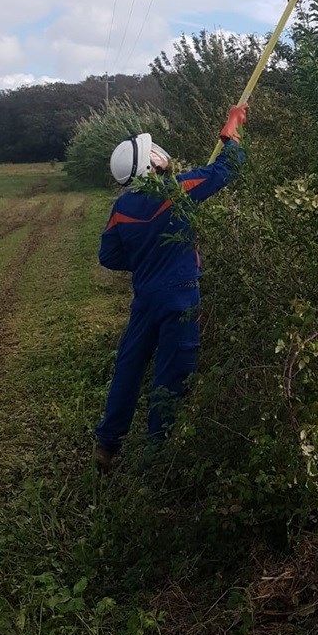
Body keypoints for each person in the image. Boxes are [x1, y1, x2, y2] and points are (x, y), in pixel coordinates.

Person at [94, 103, 248, 471]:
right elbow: (230, 166)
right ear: (150, 167)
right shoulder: (176, 193)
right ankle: (157, 459)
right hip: (180, 297)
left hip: (145, 298)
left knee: (129, 368)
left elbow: (109, 256)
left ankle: (107, 446)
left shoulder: (122, 208)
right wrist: (232, 128)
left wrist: (146, 257)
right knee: (170, 376)